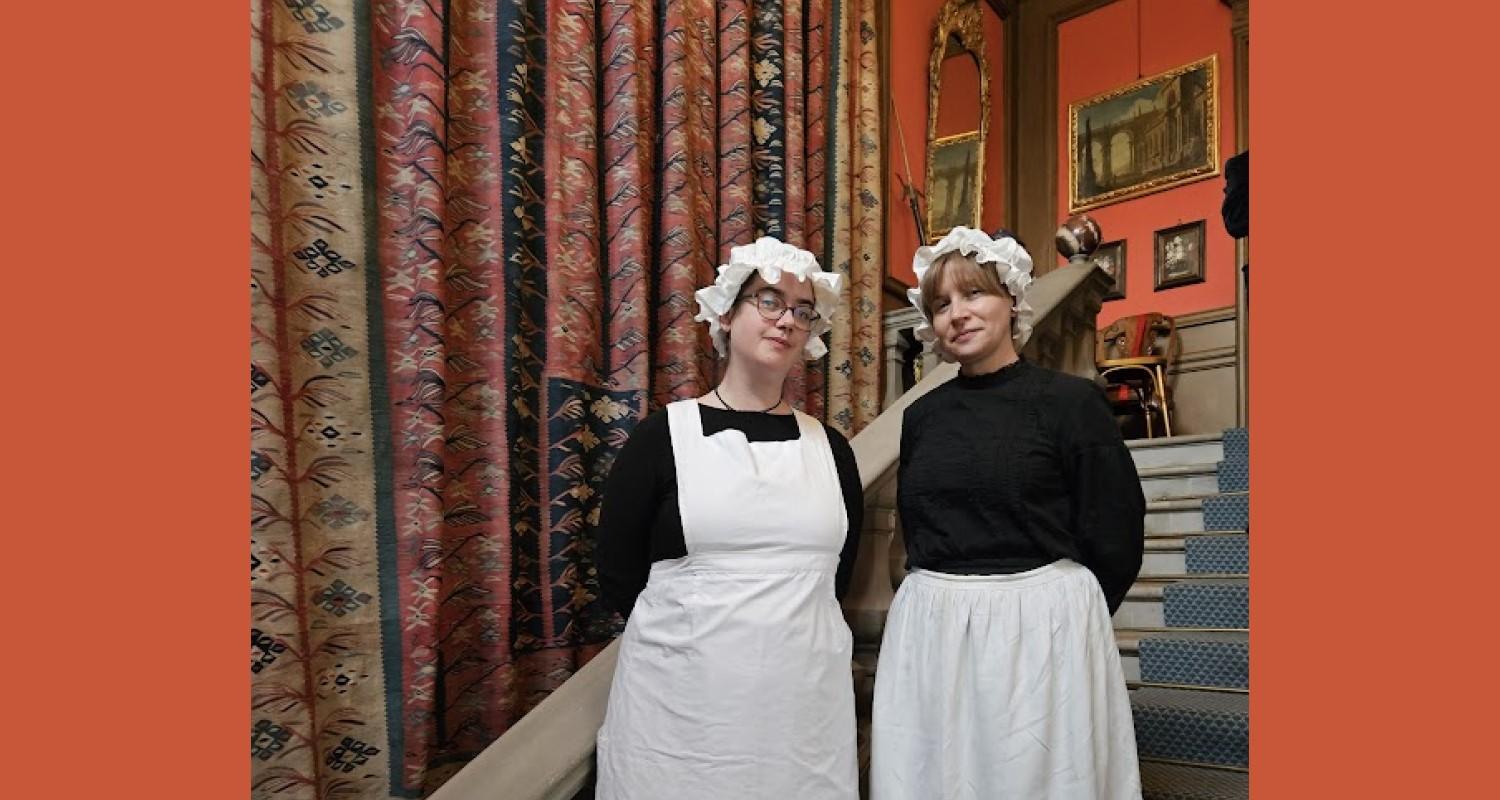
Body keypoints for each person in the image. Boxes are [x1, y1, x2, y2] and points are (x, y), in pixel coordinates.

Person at [870, 226, 1146, 800]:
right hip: (937, 632)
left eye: (974, 295)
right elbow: (918, 527)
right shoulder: (922, 417)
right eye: (942, 304)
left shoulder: (1071, 404)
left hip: (1042, 631)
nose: (958, 314)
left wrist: (1061, 616)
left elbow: (1115, 529)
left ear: (1012, 300)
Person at [593, 237, 863, 800]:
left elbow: (836, 578)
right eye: (769, 300)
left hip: (800, 714)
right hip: (682, 713)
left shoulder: (831, 449)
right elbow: (619, 574)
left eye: (802, 309)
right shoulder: (663, 437)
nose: (787, 319)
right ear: (726, 312)